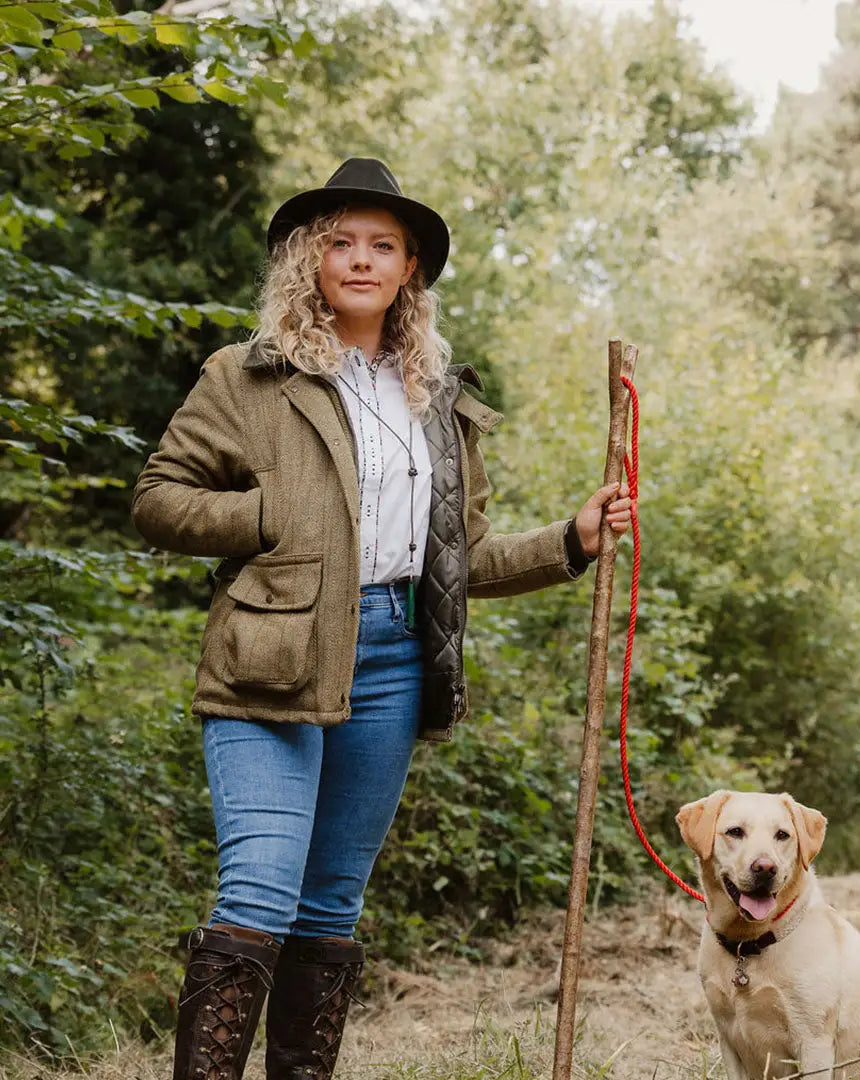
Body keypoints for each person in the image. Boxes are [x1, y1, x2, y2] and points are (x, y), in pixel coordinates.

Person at [131, 158, 632, 1080]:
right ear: (309, 259)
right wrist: (268, 514)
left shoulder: (439, 402)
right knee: (260, 888)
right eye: (341, 242)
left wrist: (572, 538)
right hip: (272, 653)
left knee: (329, 907)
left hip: (397, 658)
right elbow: (160, 499)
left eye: (383, 246)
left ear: (411, 272)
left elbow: (459, 560)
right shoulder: (247, 378)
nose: (360, 260)